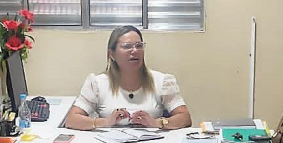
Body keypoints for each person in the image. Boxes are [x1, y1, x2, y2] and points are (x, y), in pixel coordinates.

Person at [64, 25, 192, 131]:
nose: (134, 50)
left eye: (139, 45)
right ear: (112, 54)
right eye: (127, 46)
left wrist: (156, 123)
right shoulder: (97, 83)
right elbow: (72, 120)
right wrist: (106, 122)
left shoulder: (162, 81)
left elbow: (185, 118)